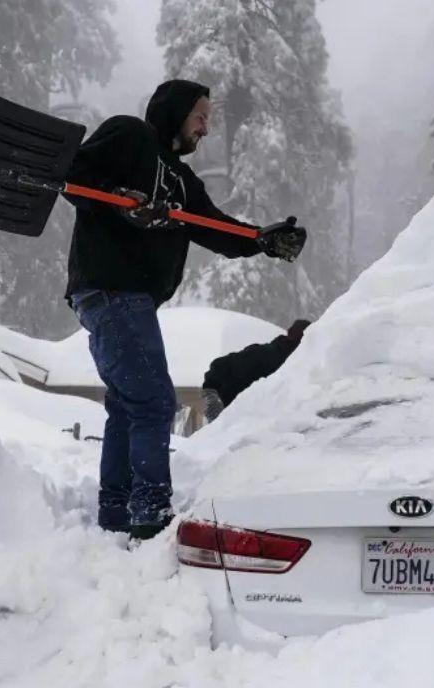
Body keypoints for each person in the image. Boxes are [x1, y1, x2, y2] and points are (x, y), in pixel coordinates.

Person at [63, 79, 306, 540]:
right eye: (200, 117)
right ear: (175, 112)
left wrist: (261, 240)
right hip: (111, 290)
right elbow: (75, 176)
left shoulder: (181, 182)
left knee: (129, 405)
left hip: (128, 301)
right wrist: (123, 202)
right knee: (155, 401)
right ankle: (149, 511)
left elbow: (214, 228)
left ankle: (117, 511)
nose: (206, 128)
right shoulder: (129, 135)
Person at [202, 320, 311, 423]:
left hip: (259, 420)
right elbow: (220, 365)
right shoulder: (265, 354)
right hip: (233, 416)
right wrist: (211, 395)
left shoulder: (303, 367)